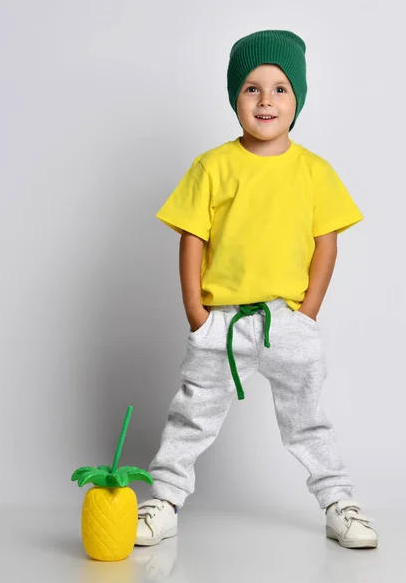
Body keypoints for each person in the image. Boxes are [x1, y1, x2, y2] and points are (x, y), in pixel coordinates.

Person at [135, 30, 377, 550]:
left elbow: (326, 244)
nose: (266, 99)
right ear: (234, 98)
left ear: (298, 100)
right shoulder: (213, 166)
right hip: (222, 322)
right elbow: (192, 239)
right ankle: (164, 501)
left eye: (280, 88)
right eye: (251, 88)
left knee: (308, 419)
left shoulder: (315, 171)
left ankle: (339, 501)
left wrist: (306, 314)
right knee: (192, 414)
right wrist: (198, 315)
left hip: (286, 320)